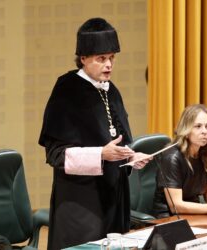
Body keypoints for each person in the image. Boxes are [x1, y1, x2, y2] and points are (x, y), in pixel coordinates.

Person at [38, 17, 150, 250]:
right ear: (83, 59)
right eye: (101, 59)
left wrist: (131, 156)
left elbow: (119, 140)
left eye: (112, 58)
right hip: (80, 205)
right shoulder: (66, 90)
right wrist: (100, 154)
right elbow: (56, 155)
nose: (109, 65)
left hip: (114, 201)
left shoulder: (112, 90)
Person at [152, 104, 207, 218]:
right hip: (168, 219)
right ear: (186, 130)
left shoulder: (206, 154)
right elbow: (176, 206)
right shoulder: (172, 158)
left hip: (195, 215)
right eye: (198, 126)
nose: (205, 131)